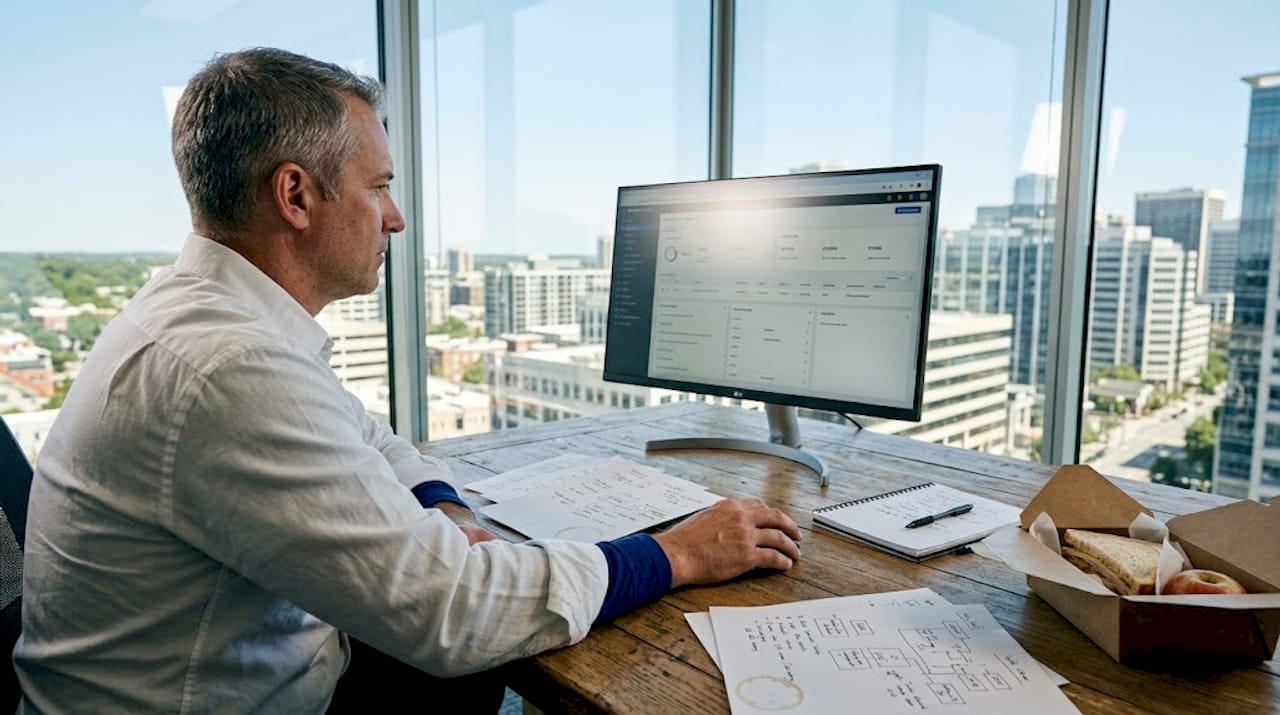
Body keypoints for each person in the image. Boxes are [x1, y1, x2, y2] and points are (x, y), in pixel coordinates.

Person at [12, 47, 802, 714]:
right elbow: (457, 612)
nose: (395, 218)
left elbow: (365, 434)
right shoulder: (228, 365)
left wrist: (449, 507)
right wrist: (676, 553)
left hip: (247, 667)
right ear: (295, 196)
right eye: (379, 185)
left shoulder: (212, 315)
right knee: (494, 654)